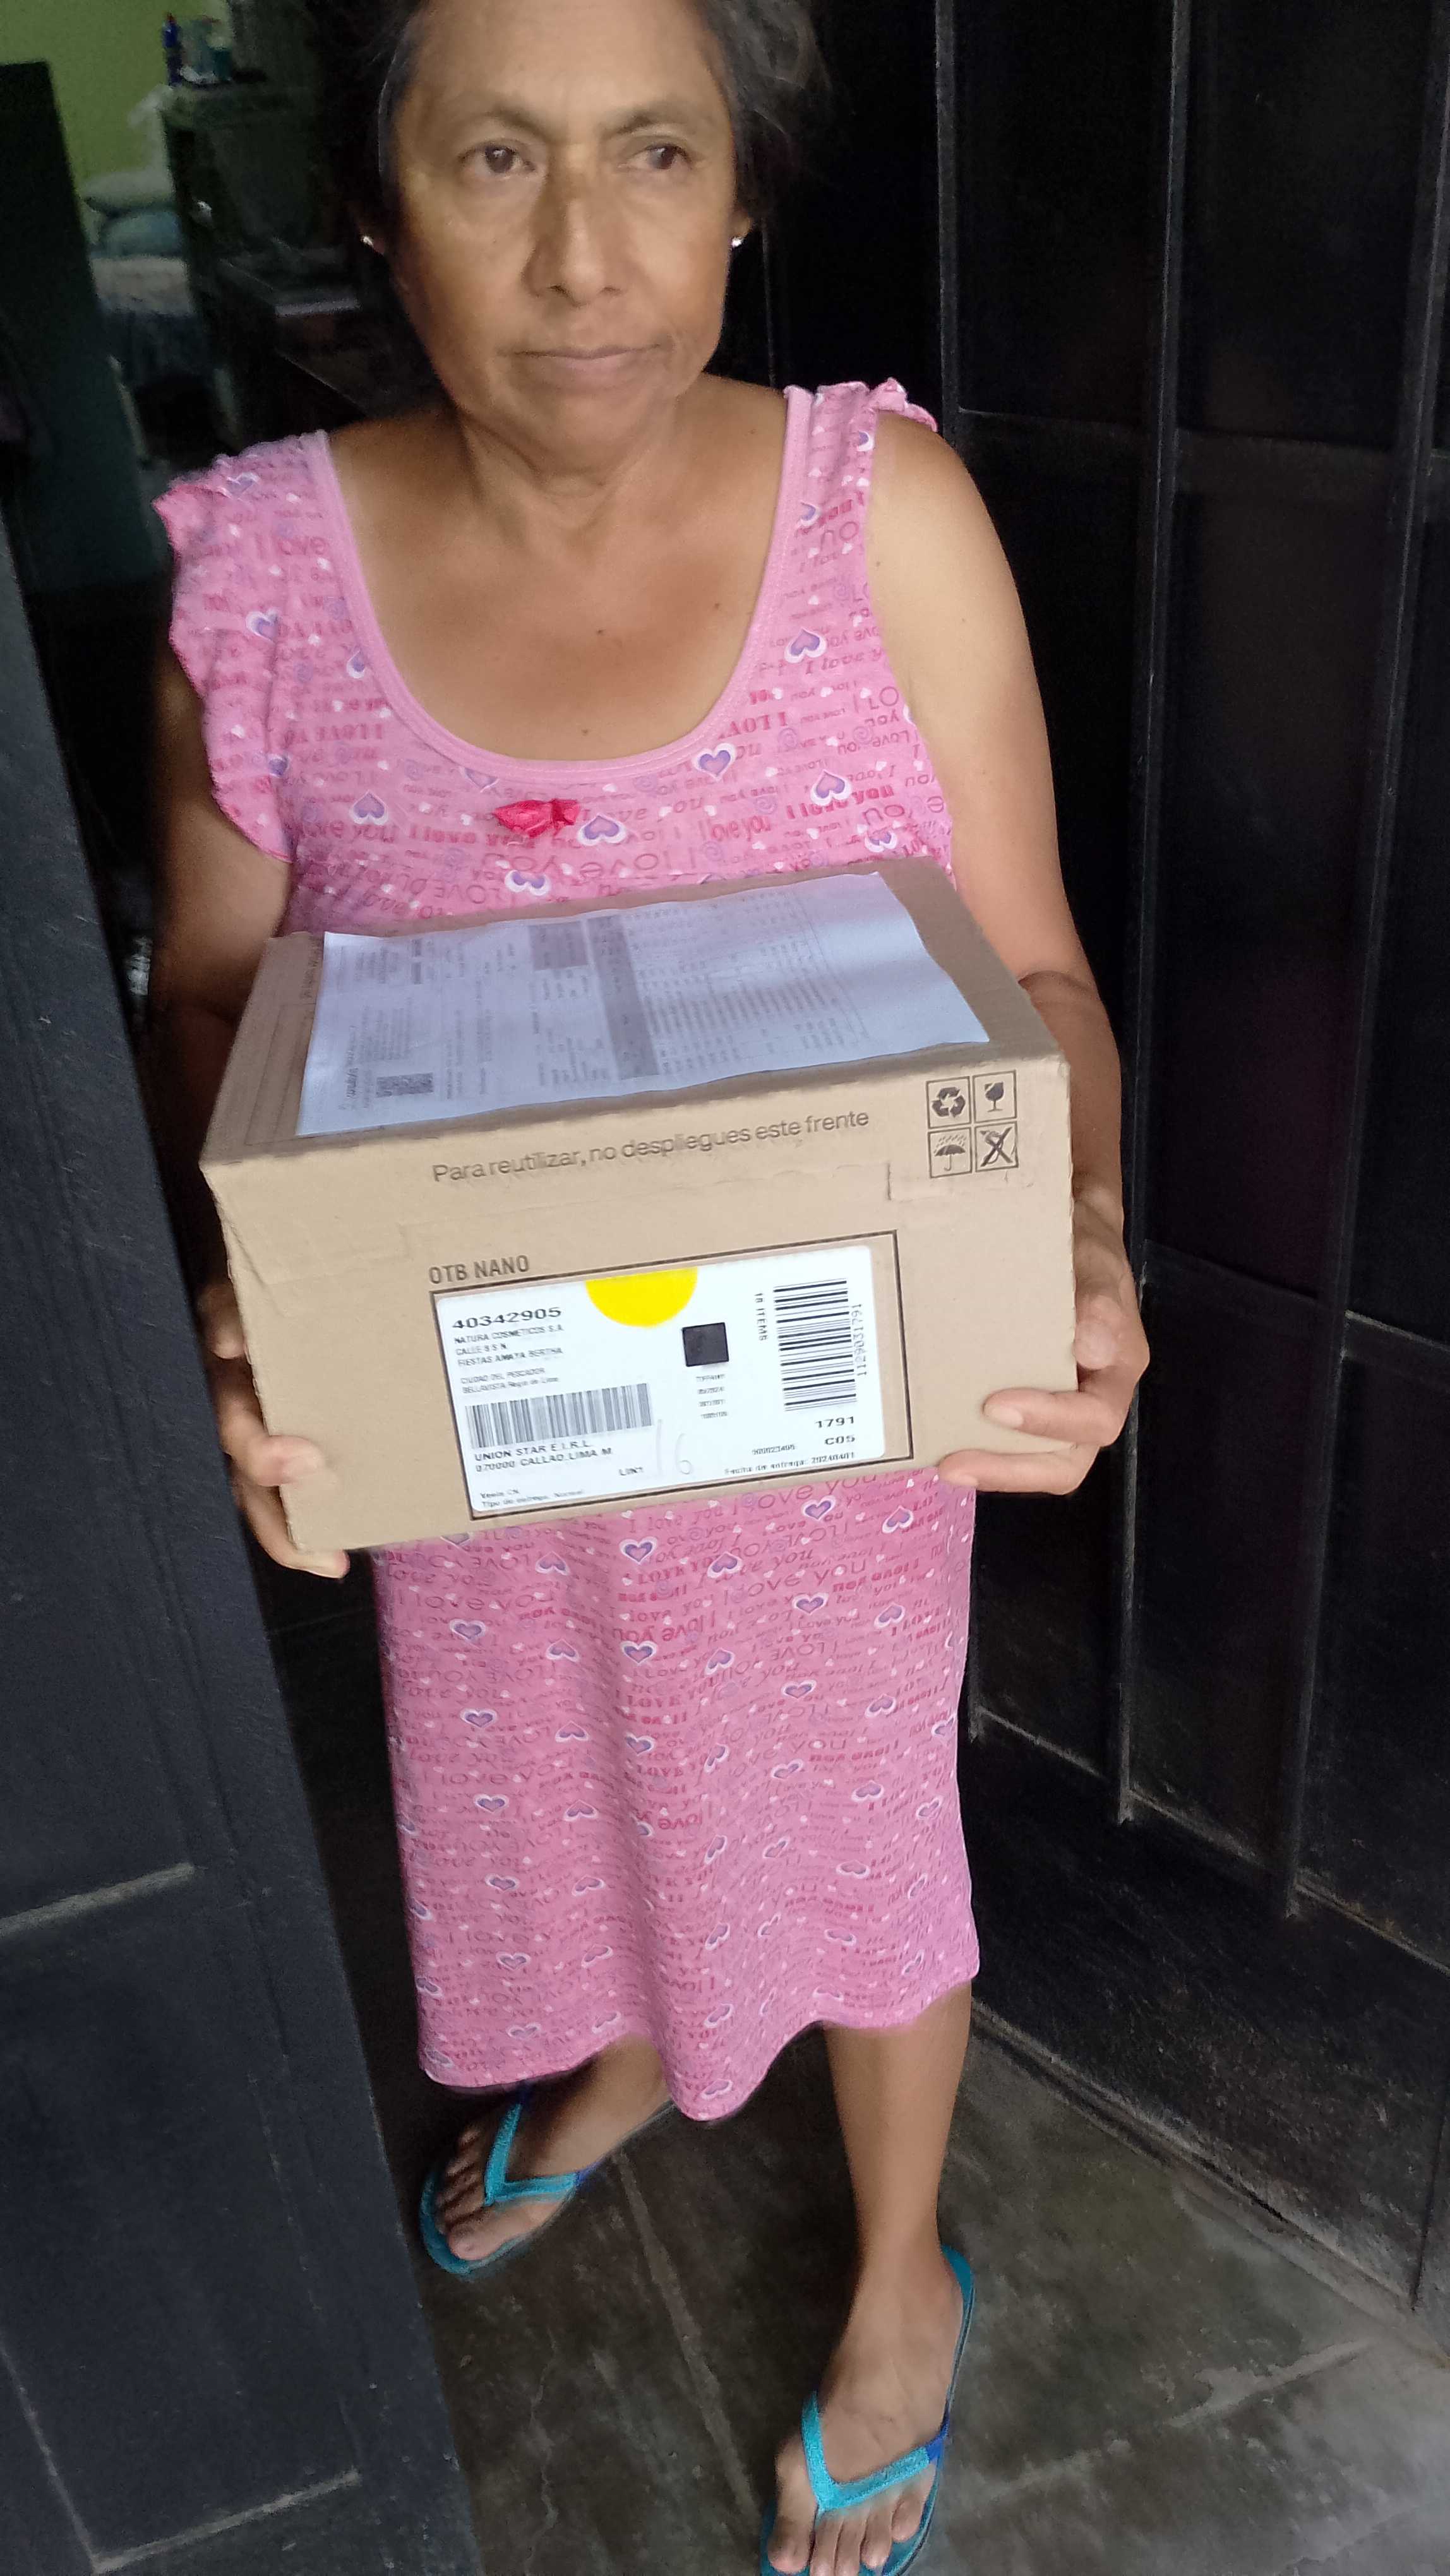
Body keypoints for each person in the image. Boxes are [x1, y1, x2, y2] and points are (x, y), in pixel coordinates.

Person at [148, 1, 1148, 2568]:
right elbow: (220, 1012)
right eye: (498, 158)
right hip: (487, 1430)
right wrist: (258, 1312)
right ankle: (608, 2067)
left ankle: (899, 2268)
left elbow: (1036, 972)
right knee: (547, 1806)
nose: (585, 259)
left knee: (858, 1835)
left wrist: (1079, 1235)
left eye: (656, 156)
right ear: (376, 201)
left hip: (832, 1419)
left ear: (742, 195)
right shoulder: (258, 575)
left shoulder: (878, 516)